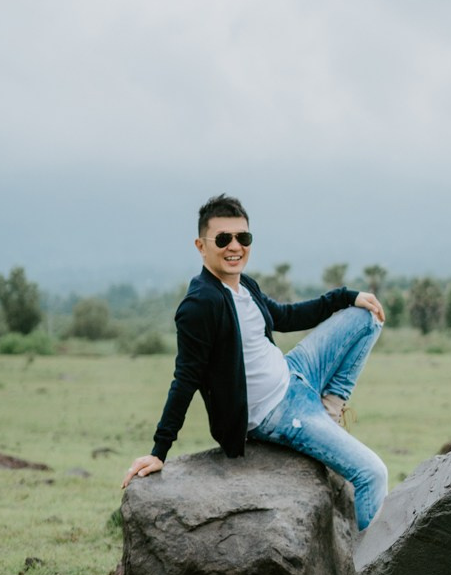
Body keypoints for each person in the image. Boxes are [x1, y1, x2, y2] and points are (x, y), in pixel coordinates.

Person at [122, 193, 388, 531]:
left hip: (296, 373)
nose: (235, 246)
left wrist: (344, 296)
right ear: (201, 246)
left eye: (242, 237)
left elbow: (284, 316)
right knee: (372, 474)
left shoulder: (244, 284)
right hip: (279, 413)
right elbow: (185, 378)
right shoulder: (200, 305)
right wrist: (159, 451)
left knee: (366, 316)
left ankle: (330, 407)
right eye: (223, 239)